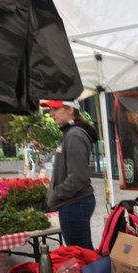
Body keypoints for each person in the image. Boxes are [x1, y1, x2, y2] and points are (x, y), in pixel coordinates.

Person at [41, 100, 98, 249]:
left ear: (70, 110)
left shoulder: (74, 135)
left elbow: (77, 178)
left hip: (74, 203)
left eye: (55, 109)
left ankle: (92, 272)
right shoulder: (70, 132)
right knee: (82, 251)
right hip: (73, 203)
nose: (51, 114)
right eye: (50, 110)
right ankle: (91, 271)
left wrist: (55, 194)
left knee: (80, 253)